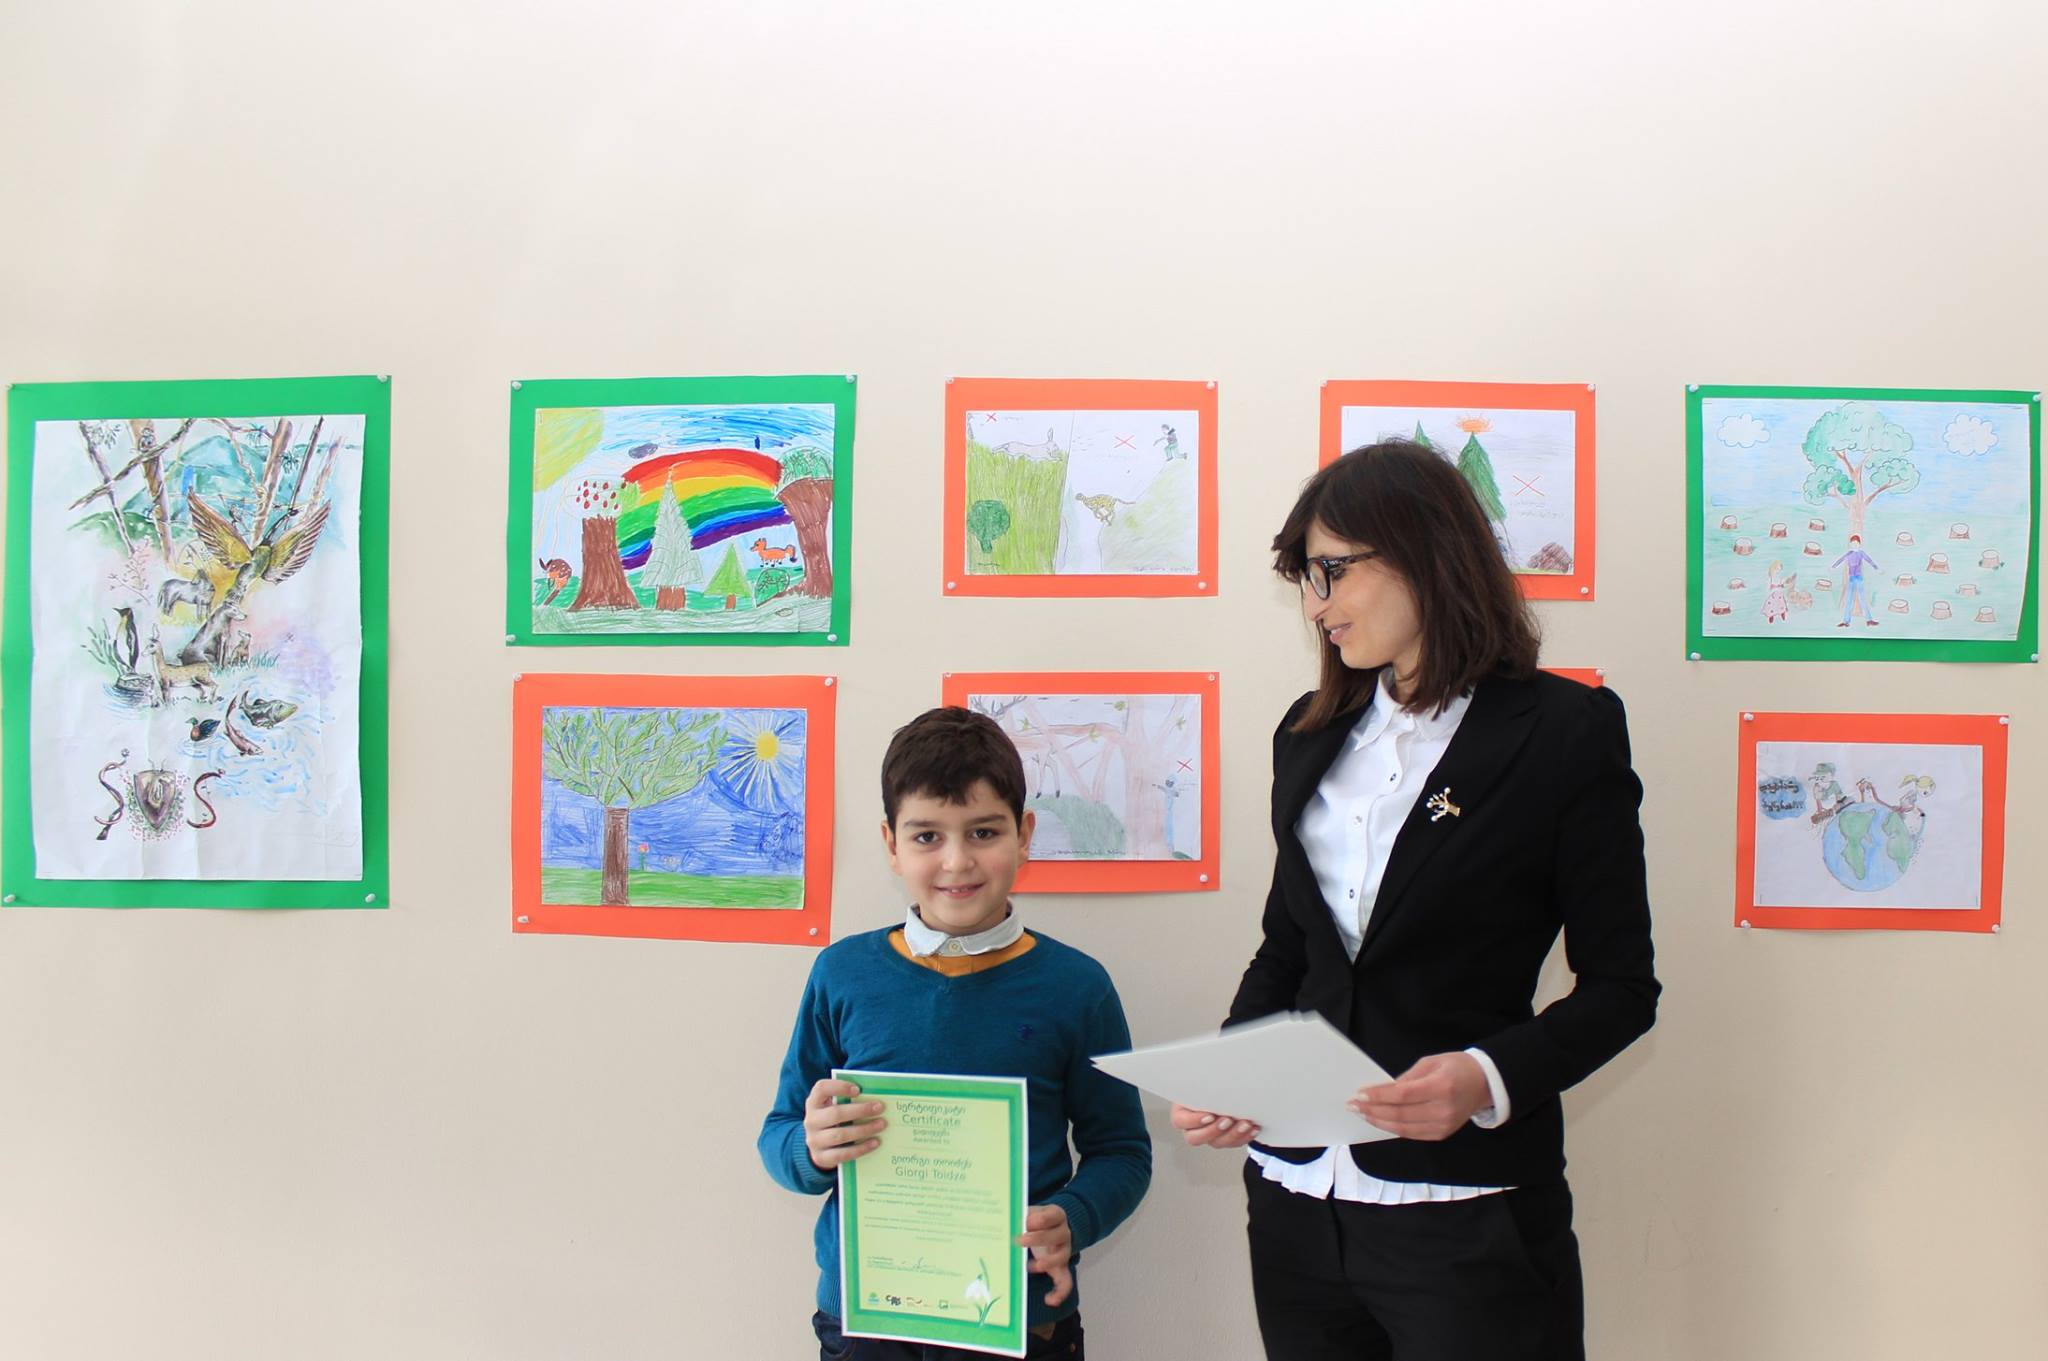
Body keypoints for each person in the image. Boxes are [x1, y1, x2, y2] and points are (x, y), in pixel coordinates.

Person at [1171, 439, 1660, 1360]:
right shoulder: (1307, 733)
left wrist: (1486, 1076)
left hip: (1467, 1209)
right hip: (1296, 1204)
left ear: (1424, 551)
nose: (1316, 606)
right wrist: (1234, 1072)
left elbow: (1622, 988)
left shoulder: (1564, 732)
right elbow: (1289, 947)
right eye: (1306, 579)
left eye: (1331, 571)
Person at [759, 707, 1152, 1360]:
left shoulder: (1078, 987)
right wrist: (811, 1148)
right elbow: (778, 1134)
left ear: (1025, 835)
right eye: (926, 836)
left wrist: (1074, 1216)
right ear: (891, 844)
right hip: (867, 1321)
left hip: (1019, 1322)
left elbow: (1123, 1152)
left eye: (984, 831)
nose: (957, 860)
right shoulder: (842, 973)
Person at [1832, 534, 1880, 627]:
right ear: (1850, 544)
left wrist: (1876, 568)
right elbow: (1840, 560)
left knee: (1863, 599)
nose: (1854, 545)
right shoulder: (1849, 553)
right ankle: (1846, 621)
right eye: (1853, 544)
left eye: (1856, 543)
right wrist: (1833, 567)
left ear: (1859, 544)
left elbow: (1869, 560)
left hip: (1858, 578)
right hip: (1851, 579)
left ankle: (1869, 620)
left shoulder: (1861, 553)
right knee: (1849, 600)